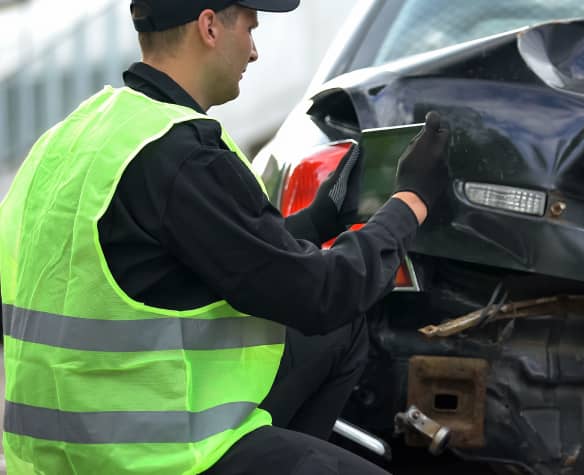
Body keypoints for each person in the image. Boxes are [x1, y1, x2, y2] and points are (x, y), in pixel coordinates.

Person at [0, 0, 450, 473]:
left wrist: (321, 220)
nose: (254, 52)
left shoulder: (75, 138)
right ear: (210, 27)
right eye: (250, 29)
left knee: (339, 333)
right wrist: (410, 203)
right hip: (151, 456)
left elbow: (209, 257)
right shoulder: (180, 155)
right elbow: (321, 294)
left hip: (53, 452)